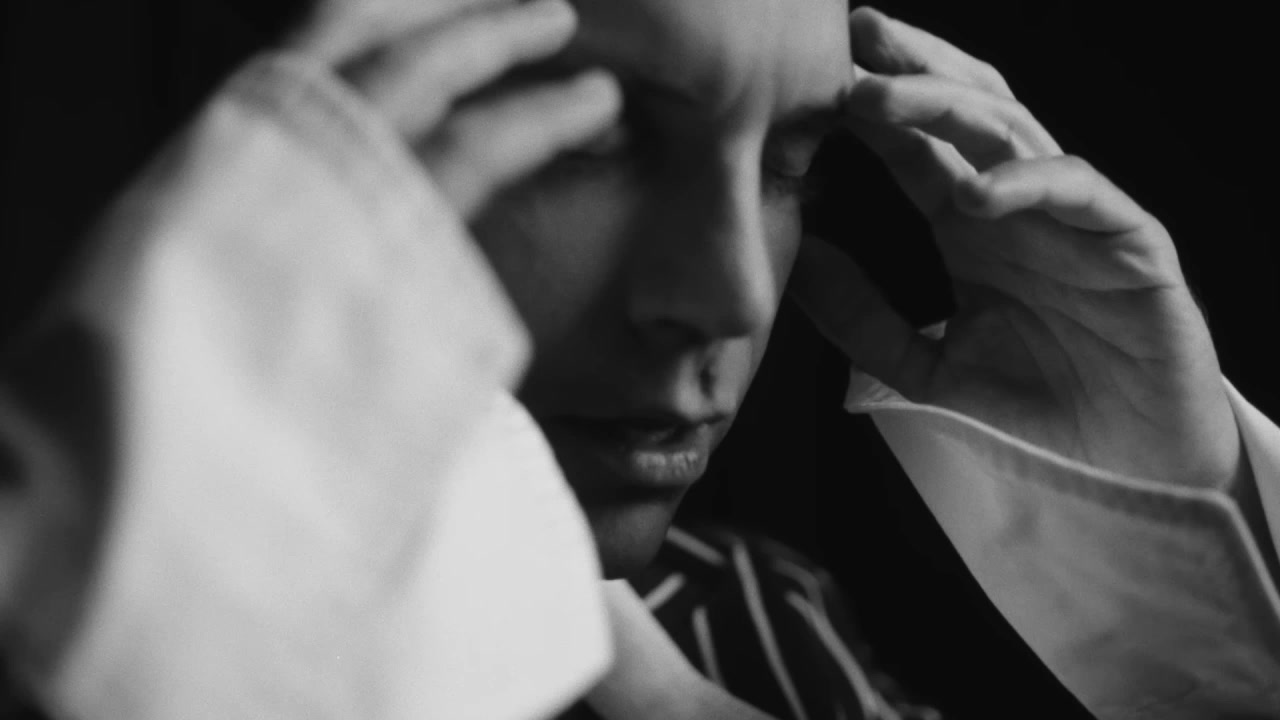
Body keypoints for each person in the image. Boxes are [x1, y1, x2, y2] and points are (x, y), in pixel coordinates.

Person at [1, 0, 1278, 719]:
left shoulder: (767, 622)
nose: (730, 295)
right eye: (597, 139)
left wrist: (1182, 593)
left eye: (791, 165)